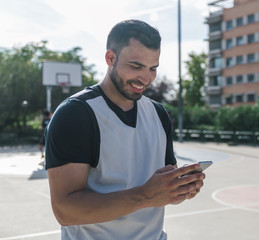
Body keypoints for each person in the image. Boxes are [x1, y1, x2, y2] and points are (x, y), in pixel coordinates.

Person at [45, 19, 205, 240]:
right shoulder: (76, 114)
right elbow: (65, 211)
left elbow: (162, 191)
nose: (146, 78)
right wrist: (145, 196)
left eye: (153, 69)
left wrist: (180, 189)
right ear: (110, 58)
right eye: (136, 67)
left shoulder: (158, 114)